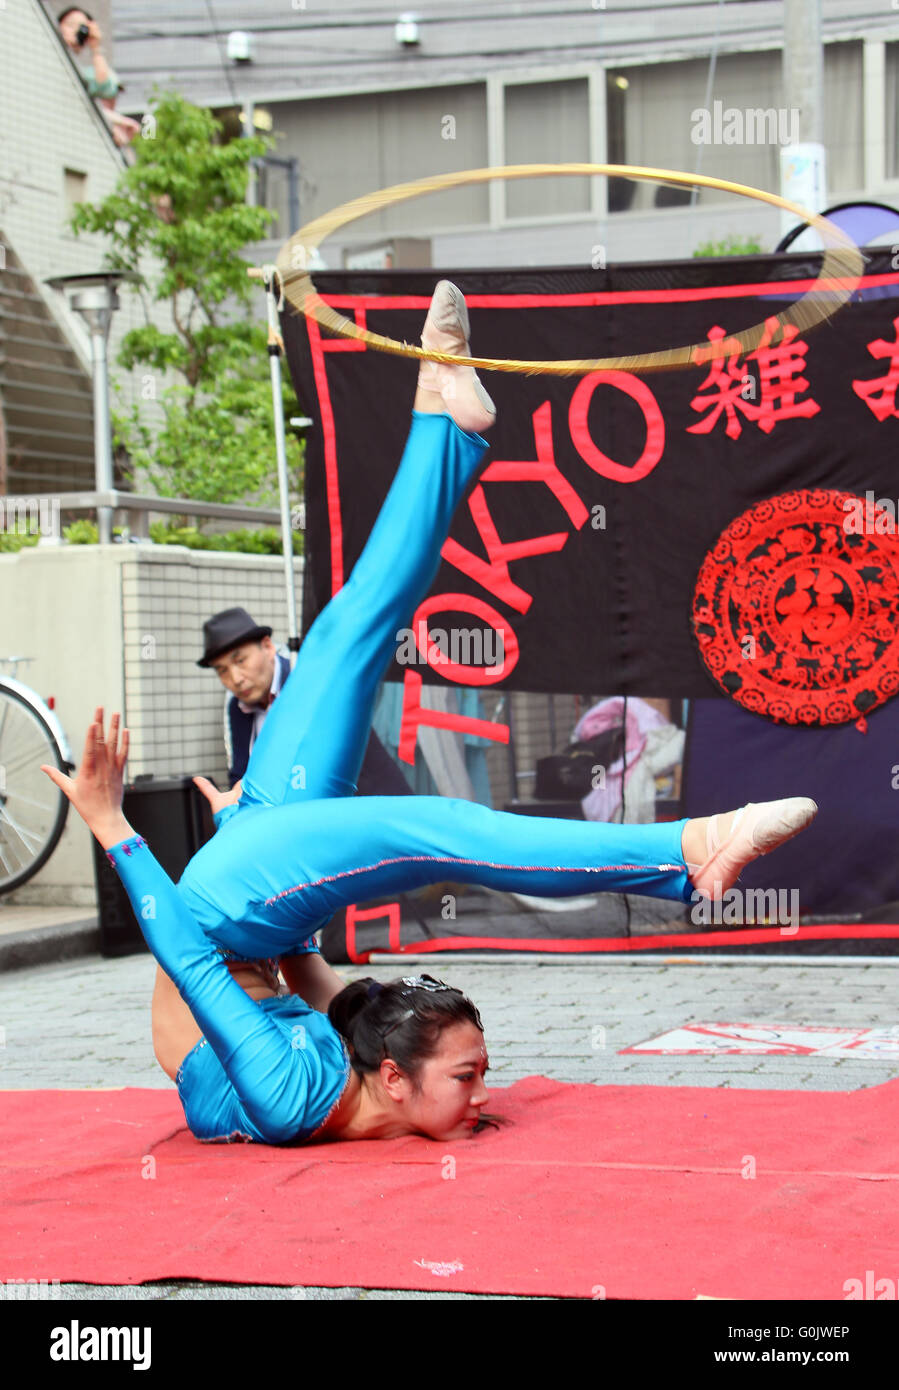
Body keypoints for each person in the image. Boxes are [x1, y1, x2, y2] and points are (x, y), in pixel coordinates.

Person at [42, 283, 817, 1147]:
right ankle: (442, 421)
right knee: (349, 630)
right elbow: (298, 968)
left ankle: (684, 854)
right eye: (475, 1074)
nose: (483, 1094)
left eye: (469, 1076)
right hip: (256, 895)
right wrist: (252, 841)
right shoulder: (352, 1066)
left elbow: (186, 955)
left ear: (394, 1084)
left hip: (219, 910)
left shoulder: (291, 1097)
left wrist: (114, 828)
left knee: (437, 829)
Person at [197, 606, 412, 796]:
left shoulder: (309, 682)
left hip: (370, 803)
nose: (235, 679)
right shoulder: (238, 707)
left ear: (268, 646)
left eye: (240, 660)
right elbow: (241, 774)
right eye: (222, 670)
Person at [57, 7, 140, 148]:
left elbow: (104, 88)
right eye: (70, 25)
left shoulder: (83, 74)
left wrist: (95, 47)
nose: (75, 32)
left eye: (81, 28)